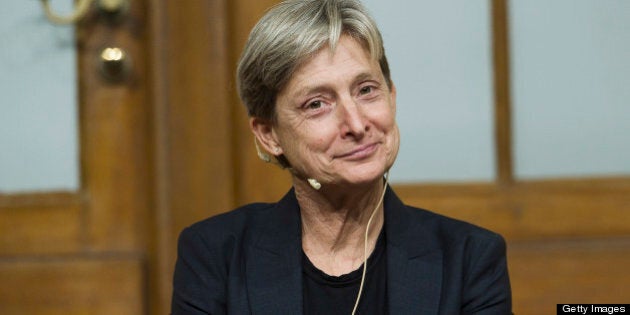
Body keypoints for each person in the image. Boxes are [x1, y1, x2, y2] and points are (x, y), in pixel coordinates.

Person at [171, 0, 512, 314]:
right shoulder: (215, 255)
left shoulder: (470, 258)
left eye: (366, 90)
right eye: (317, 104)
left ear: (391, 97)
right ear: (269, 134)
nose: (357, 124)